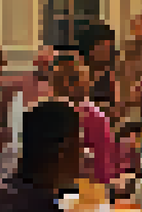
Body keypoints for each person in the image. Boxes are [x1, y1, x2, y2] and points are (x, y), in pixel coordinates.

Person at [46, 53, 128, 188]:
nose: (67, 86)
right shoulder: (47, 116)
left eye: (73, 79)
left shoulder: (95, 118)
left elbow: (103, 171)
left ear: (85, 80)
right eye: (59, 80)